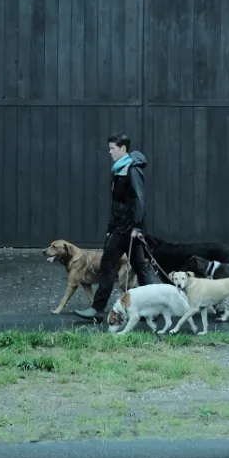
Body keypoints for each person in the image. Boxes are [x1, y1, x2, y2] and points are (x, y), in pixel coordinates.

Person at [75, 133, 157, 321]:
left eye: (113, 148)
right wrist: (111, 225)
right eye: (110, 148)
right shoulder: (120, 169)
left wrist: (136, 227)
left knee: (107, 263)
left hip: (127, 229)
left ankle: (97, 308)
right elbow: (119, 203)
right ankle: (152, 308)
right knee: (140, 267)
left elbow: (138, 199)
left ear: (123, 148)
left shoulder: (131, 170)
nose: (109, 152)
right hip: (122, 227)